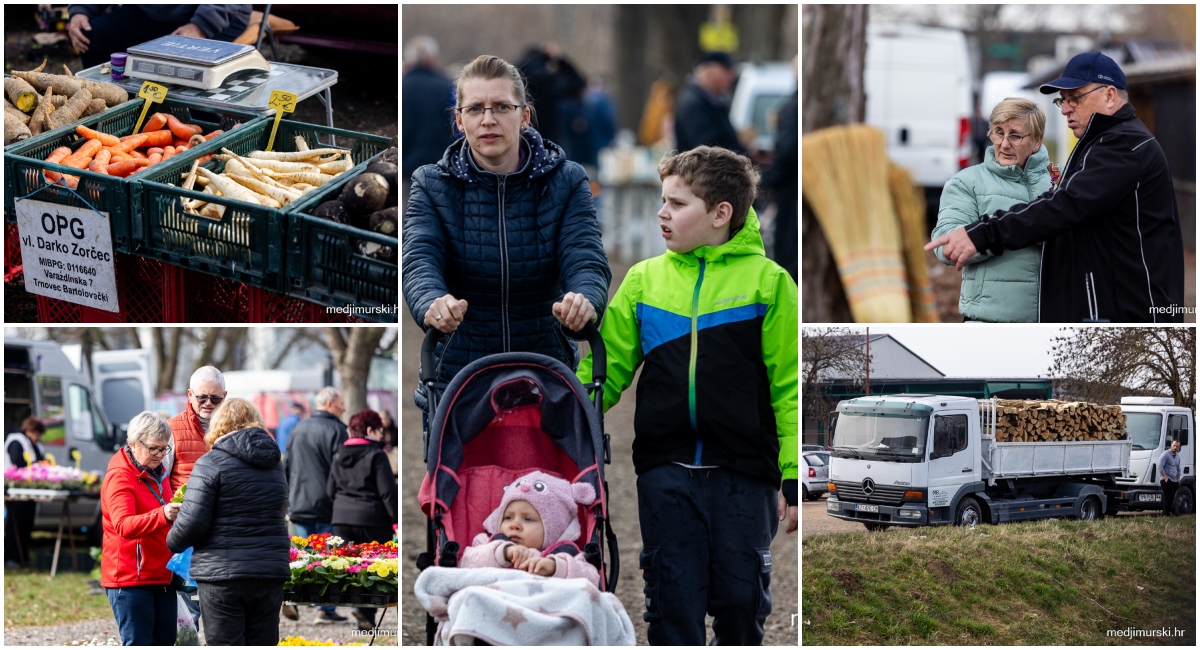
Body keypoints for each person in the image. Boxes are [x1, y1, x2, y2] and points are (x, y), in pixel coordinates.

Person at [577, 146, 798, 645]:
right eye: (662, 201)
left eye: (677, 204)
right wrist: (559, 425)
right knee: (673, 613)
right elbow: (602, 375)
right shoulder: (642, 281)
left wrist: (792, 475)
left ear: (721, 214)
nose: (662, 213)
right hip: (665, 472)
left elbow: (788, 388)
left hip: (745, 474)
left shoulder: (771, 285)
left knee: (742, 612)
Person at [926, 51, 1185, 323]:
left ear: (1109, 96)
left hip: (1131, 313)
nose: (1064, 109)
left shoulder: (1121, 145)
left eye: (1075, 98)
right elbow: (1076, 215)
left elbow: (1065, 207)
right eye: (1063, 100)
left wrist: (983, 233)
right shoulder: (1101, 144)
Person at [403, 54, 612, 386]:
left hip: (546, 373)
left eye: (501, 107)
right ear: (459, 120)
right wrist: (431, 300)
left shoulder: (568, 180)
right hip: (459, 379)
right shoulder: (430, 184)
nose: (488, 120)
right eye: (475, 109)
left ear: (524, 116)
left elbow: (585, 256)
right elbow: (419, 259)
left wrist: (584, 298)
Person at [166, 398, 289, 646]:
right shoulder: (275, 465)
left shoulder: (210, 463)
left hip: (223, 575)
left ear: (218, 424)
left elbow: (191, 524)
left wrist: (172, 541)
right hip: (269, 573)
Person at [932, 98, 1052, 322]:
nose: (1004, 144)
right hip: (989, 320)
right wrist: (1009, 233)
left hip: (1054, 322)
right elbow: (946, 245)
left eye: (1015, 135)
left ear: (1037, 141)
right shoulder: (966, 182)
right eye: (998, 133)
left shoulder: (1063, 180)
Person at [100, 411, 180, 646]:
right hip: (130, 578)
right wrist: (163, 515)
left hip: (161, 575)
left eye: (164, 449)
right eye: (154, 448)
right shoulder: (120, 477)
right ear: (133, 443)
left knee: (165, 641)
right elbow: (123, 525)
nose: (159, 455)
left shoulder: (159, 471)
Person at [460, 471, 600, 587]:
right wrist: (503, 553)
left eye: (528, 519)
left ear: (553, 529)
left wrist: (555, 568)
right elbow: (465, 564)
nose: (514, 525)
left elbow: (592, 579)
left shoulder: (566, 554)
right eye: (508, 517)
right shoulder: (488, 542)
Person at [327, 410, 399, 631]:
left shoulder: (339, 453)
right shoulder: (376, 455)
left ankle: (359, 609)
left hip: (342, 519)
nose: (382, 436)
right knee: (374, 566)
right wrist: (396, 522)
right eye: (380, 431)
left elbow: (330, 489)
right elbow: (387, 491)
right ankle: (366, 613)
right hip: (372, 519)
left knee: (352, 566)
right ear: (370, 431)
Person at [283, 386, 349, 623]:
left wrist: (288, 503)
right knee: (329, 557)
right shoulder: (338, 430)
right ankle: (324, 609)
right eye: (341, 403)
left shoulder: (298, 428)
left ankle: (295, 599)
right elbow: (342, 471)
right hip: (327, 506)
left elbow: (287, 467)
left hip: (299, 504)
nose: (344, 407)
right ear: (330, 404)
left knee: (305, 557)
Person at [167, 366, 224, 627]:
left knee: (221, 606)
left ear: (225, 396)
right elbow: (162, 481)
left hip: (223, 531)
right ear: (190, 395)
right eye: (202, 397)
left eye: (215, 398)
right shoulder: (172, 430)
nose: (208, 404)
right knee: (187, 607)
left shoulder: (232, 430)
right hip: (187, 529)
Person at [67, 5, 252, 69]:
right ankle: (113, 111)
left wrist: (201, 26)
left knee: (183, 63)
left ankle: (197, 127)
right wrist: (81, 11)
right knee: (91, 35)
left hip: (207, 15)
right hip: (147, 12)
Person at [402, 35, 456, 209]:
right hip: (441, 170)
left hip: (407, 172)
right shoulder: (448, 86)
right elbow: (458, 128)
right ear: (433, 58)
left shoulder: (402, 85)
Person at [762, 56, 798, 281]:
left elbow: (787, 152)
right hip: (792, 188)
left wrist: (766, 180)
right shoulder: (796, 105)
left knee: (788, 253)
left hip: (790, 191)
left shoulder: (792, 107)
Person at [517, 44, 587, 152]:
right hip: (550, 139)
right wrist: (561, 60)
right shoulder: (549, 81)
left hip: (522, 138)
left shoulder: (515, 81)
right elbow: (578, 82)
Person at [674, 52, 746, 155]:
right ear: (708, 70)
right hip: (702, 170)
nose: (731, 77)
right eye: (726, 71)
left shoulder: (711, 100)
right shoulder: (694, 103)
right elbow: (706, 148)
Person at [4, 417, 47, 568]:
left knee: (26, 524)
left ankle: (22, 556)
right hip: (15, 490)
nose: (38, 438)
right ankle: (9, 556)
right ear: (30, 431)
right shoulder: (16, 441)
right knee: (15, 524)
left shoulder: (35, 445)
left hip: (29, 491)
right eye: (37, 434)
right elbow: (18, 463)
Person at [1159, 439, 1182, 516]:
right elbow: (1160, 466)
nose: (1175, 447)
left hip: (1174, 480)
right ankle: (1166, 513)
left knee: (1172, 497)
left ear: (1179, 447)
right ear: (1171, 445)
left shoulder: (1178, 457)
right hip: (1166, 479)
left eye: (1177, 446)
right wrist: (1165, 477)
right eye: (1174, 445)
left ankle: (1167, 512)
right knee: (1168, 496)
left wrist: (1178, 478)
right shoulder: (1165, 454)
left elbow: (1178, 468)